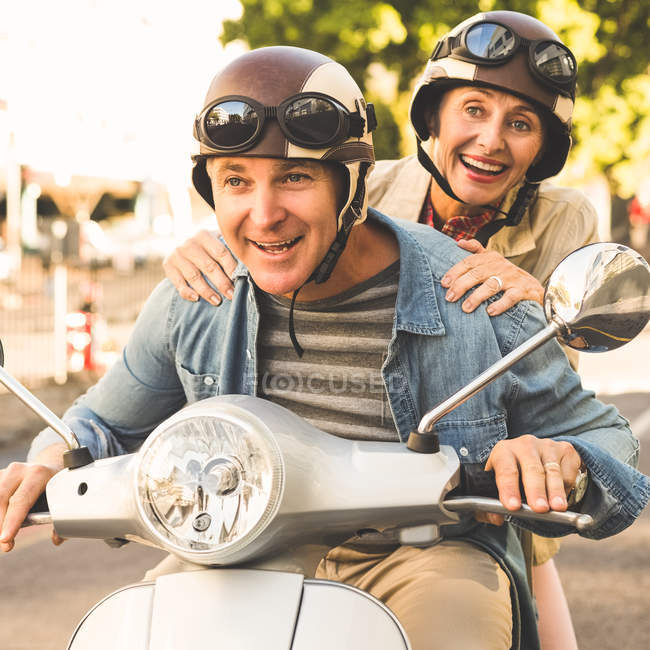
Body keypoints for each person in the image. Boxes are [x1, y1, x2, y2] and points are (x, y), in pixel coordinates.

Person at [1, 45, 647, 650]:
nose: (262, 214)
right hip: (240, 551)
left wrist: (561, 457)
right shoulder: (196, 295)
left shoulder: (470, 296)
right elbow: (99, 423)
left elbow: (610, 441)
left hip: (423, 555)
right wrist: (52, 458)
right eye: (235, 181)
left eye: (295, 178)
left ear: (353, 187)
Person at [161, 12, 598, 647]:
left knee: (523, 604)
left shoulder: (565, 218)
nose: (491, 141)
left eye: (521, 124)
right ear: (433, 121)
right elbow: (275, 234)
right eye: (472, 110)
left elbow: (552, 393)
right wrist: (205, 253)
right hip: (305, 477)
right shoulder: (368, 190)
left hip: (477, 482)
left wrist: (534, 306)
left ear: (543, 150)